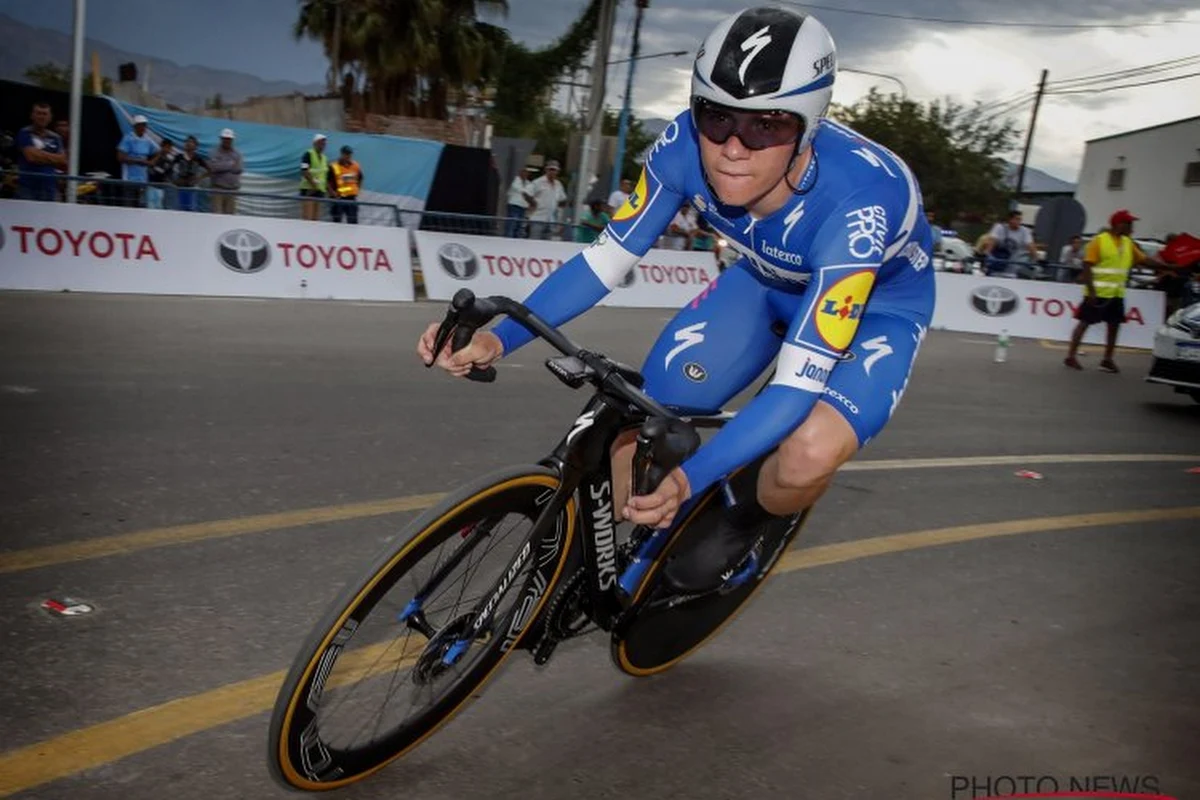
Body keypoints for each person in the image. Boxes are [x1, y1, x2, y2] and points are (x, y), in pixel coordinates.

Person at [418, 7, 936, 593]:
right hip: (766, 282)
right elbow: (604, 260)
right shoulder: (681, 147)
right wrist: (496, 338)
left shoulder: (862, 206)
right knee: (646, 416)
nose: (734, 148)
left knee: (806, 453)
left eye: (767, 126)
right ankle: (580, 568)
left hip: (875, 314)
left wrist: (694, 481)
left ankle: (744, 515)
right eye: (716, 117)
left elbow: (796, 386)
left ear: (809, 127)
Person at [1063, 210, 1164, 373]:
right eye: (1130, 224)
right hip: (1098, 292)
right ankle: (1070, 356)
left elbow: (1145, 260)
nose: (1132, 228)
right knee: (1084, 323)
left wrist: (1169, 267)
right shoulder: (1099, 241)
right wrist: (1091, 291)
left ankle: (1107, 359)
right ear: (1119, 224)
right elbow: (1087, 266)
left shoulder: (1127, 242)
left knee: (1114, 326)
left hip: (1116, 293)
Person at [15, 102, 67, 202]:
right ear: (32, 115)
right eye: (38, 113)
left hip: (50, 188)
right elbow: (31, 157)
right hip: (27, 188)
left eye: (44, 114)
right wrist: (53, 158)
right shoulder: (25, 133)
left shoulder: (55, 137)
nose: (41, 117)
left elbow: (62, 160)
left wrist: (39, 154)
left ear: (50, 117)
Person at [116, 114, 160, 208]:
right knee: (129, 206)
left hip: (143, 179)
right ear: (135, 126)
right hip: (129, 179)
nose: (144, 127)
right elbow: (120, 157)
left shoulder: (147, 140)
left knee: (141, 207)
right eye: (141, 125)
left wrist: (152, 162)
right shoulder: (128, 139)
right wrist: (139, 161)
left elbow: (158, 151)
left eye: (145, 125)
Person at [980, 210, 1038, 276]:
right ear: (1010, 219)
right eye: (1017, 219)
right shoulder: (999, 228)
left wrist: (1036, 260)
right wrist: (986, 256)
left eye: (1020, 220)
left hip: (1013, 266)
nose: (1019, 222)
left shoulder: (1024, 231)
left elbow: (1031, 246)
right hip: (997, 263)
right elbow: (991, 242)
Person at [527, 160, 567, 240]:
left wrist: (557, 209)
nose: (552, 172)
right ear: (546, 170)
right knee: (534, 243)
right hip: (538, 218)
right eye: (550, 169)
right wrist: (533, 203)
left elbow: (563, 199)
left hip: (551, 220)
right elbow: (526, 192)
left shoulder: (558, 184)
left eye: (554, 170)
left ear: (557, 171)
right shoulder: (538, 182)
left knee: (547, 245)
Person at [208, 128, 243, 215]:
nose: (227, 141)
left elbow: (238, 169)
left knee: (230, 216)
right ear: (221, 139)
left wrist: (222, 165)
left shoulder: (237, 153)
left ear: (232, 140)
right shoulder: (214, 152)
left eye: (229, 139)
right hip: (218, 188)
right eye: (225, 139)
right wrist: (230, 164)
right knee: (217, 214)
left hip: (232, 190)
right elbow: (213, 167)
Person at [328, 145, 363, 224]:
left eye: (349, 154)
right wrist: (333, 194)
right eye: (346, 154)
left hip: (351, 198)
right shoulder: (333, 166)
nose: (348, 156)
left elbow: (360, 178)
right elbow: (328, 182)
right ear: (341, 154)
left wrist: (357, 190)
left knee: (353, 223)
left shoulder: (355, 165)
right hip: (338, 198)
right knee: (336, 223)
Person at [300, 133, 330, 221]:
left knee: (315, 220)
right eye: (321, 143)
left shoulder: (324, 158)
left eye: (324, 143)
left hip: (319, 190)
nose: (323, 145)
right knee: (308, 218)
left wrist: (330, 191)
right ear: (315, 143)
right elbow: (304, 170)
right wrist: (313, 185)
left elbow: (324, 176)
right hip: (309, 190)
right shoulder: (308, 154)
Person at [505, 165, 537, 238]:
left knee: (519, 226)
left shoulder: (529, 183)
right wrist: (528, 196)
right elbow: (521, 190)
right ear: (520, 172)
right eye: (523, 171)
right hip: (514, 205)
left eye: (527, 172)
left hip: (523, 207)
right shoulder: (516, 181)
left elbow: (531, 193)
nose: (525, 173)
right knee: (511, 225)